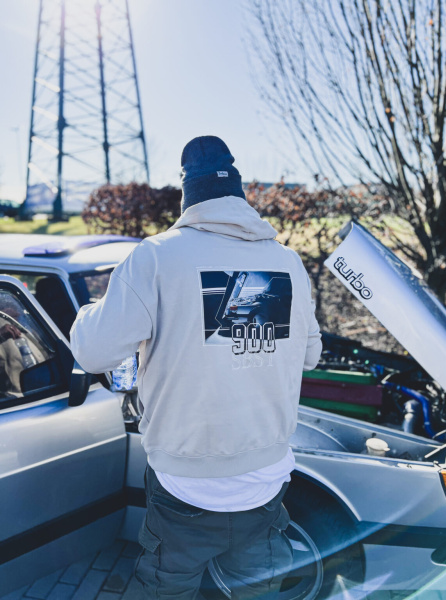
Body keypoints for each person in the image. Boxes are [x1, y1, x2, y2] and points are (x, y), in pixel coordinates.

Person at [70, 136, 322, 599]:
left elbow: (92, 353)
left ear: (188, 196)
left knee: (167, 589)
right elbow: (310, 355)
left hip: (184, 485)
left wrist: (91, 311)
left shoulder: (157, 256)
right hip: (266, 482)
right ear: (239, 194)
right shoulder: (287, 262)